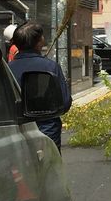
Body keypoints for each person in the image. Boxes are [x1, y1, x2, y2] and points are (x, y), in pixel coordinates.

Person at [9, 21, 73, 150]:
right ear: (39, 42)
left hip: (16, 131)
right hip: (47, 129)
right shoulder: (50, 66)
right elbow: (64, 103)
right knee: (49, 166)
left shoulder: (7, 68)